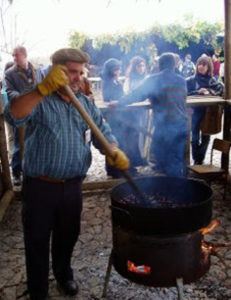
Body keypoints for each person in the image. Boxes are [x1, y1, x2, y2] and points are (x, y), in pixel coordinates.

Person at [4, 48, 129, 300]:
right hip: (40, 186)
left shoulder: (85, 104)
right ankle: (38, 290)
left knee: (67, 237)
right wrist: (40, 90)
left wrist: (112, 149)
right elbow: (13, 114)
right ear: (55, 70)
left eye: (80, 72)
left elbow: (102, 133)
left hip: (73, 186)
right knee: (37, 242)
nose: (76, 77)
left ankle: (64, 275)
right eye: (71, 71)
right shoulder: (40, 101)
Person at [110, 52, 188, 177]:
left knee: (167, 160)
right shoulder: (182, 80)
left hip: (166, 126)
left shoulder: (154, 79)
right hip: (182, 124)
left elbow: (136, 95)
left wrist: (119, 102)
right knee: (175, 159)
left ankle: (172, 190)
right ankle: (175, 189)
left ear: (160, 65)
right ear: (174, 65)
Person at [3, 46, 43, 186]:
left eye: (17, 55)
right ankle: (16, 173)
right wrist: (25, 98)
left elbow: (43, 87)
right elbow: (9, 92)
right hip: (20, 111)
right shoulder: (9, 73)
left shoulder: (37, 70)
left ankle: (34, 171)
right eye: (13, 55)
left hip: (38, 112)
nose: (14, 58)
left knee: (37, 141)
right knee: (20, 144)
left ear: (25, 55)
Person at [187, 55, 224, 165]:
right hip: (194, 112)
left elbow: (220, 90)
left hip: (208, 114)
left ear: (209, 67)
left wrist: (209, 91)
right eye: (199, 64)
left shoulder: (212, 81)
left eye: (204, 64)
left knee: (206, 137)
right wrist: (197, 92)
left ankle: (199, 160)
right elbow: (184, 93)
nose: (201, 67)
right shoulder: (190, 80)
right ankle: (196, 159)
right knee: (194, 138)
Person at [123, 56, 148, 166]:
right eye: (139, 66)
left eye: (143, 65)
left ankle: (144, 157)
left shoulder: (147, 79)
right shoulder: (129, 80)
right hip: (133, 112)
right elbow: (127, 93)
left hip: (145, 111)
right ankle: (136, 159)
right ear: (134, 67)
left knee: (145, 134)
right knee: (135, 135)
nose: (141, 68)